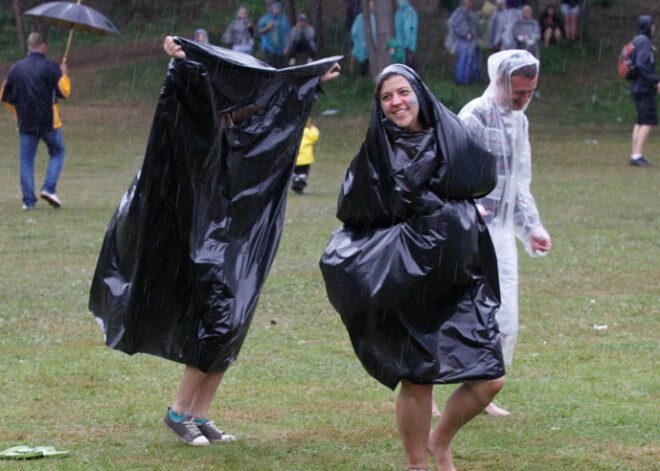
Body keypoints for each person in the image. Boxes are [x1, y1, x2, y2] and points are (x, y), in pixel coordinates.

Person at [89, 35, 340, 447]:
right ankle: (178, 412)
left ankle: (200, 414)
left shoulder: (253, 136)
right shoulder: (197, 139)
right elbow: (181, 116)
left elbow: (279, 108)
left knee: (234, 322)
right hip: (205, 241)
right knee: (218, 321)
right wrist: (182, 65)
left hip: (240, 241)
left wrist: (310, 81)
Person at [320, 63, 505, 471]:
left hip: (461, 274)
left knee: (490, 378)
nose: (396, 102)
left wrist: (448, 208)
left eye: (402, 92)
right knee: (417, 377)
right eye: (386, 97)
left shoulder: (450, 133)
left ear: (418, 92)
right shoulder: (377, 152)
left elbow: (481, 173)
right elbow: (353, 209)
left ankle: (441, 440)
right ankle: (416, 463)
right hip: (410, 277)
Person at [459, 50, 552, 415]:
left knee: (503, 314)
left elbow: (518, 182)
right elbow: (454, 171)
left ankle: (481, 389)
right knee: (461, 311)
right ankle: (426, 386)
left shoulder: (520, 123)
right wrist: (468, 207)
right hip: (469, 231)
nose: (524, 100)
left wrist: (531, 227)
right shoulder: (473, 116)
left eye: (530, 93)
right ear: (499, 81)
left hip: (499, 232)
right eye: (518, 93)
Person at [1, 32, 70, 210]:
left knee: (26, 161)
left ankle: (28, 202)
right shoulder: (51, 68)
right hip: (48, 122)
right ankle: (48, 188)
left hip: (25, 122)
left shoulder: (15, 69)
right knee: (57, 152)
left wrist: (17, 111)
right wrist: (64, 75)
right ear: (44, 46)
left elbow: (4, 96)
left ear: (29, 46)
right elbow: (64, 92)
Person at [629, 15, 660, 168]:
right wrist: (656, 81)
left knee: (640, 120)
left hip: (636, 87)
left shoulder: (635, 41)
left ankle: (634, 153)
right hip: (644, 88)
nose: (654, 27)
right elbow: (643, 64)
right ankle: (637, 155)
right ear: (649, 26)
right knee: (648, 120)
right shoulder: (645, 43)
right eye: (652, 24)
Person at [449, 0, 481, 84]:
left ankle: (466, 79)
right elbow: (453, 24)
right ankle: (460, 79)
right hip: (462, 39)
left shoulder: (470, 13)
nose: (471, 3)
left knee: (469, 60)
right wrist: (461, 33)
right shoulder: (458, 13)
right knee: (462, 59)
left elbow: (474, 25)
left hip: (471, 40)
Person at [258, 1, 290, 68]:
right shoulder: (265, 19)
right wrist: (267, 27)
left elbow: (287, 34)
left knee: (281, 67)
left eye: (277, 8)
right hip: (269, 48)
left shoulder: (283, 20)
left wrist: (287, 47)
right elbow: (260, 31)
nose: (276, 10)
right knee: (269, 66)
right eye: (274, 8)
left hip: (281, 49)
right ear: (271, 9)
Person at [291, 118, 319, 194]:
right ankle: (299, 188)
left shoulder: (294, 130)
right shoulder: (308, 132)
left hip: (295, 157)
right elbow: (315, 136)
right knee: (302, 174)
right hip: (305, 158)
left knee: (295, 172)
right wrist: (312, 128)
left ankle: (295, 182)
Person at [349, 0, 376, 76]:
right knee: (361, 60)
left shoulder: (373, 17)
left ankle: (359, 74)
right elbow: (354, 32)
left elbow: (354, 32)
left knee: (362, 60)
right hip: (363, 45)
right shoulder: (361, 18)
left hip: (363, 45)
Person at [394, 0, 418, 68]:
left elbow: (407, 29)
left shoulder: (406, 12)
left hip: (406, 47)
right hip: (407, 47)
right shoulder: (400, 13)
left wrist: (405, 45)